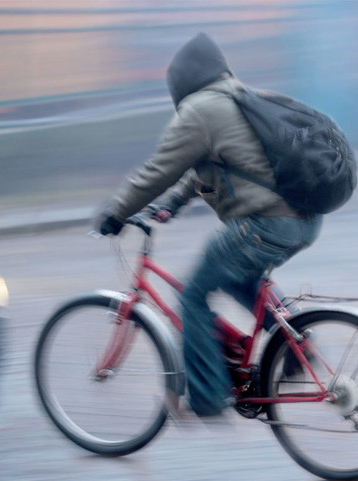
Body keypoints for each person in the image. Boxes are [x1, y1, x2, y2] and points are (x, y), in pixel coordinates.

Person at [96, 32, 322, 418]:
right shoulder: (242, 98)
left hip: (265, 224)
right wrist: (172, 205)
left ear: (181, 81)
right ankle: (296, 341)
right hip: (304, 220)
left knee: (193, 296)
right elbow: (207, 167)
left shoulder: (200, 110)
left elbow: (159, 169)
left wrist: (116, 212)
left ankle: (205, 398)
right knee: (238, 276)